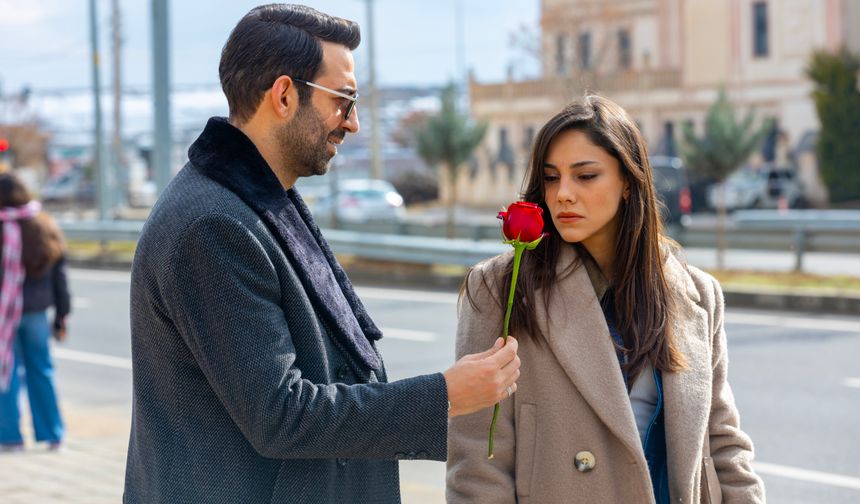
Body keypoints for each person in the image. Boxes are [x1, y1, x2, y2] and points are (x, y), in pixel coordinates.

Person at [123, 4, 520, 503]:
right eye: (344, 100)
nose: (352, 124)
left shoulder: (255, 200)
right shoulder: (213, 225)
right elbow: (283, 417)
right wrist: (446, 395)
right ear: (285, 95)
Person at [447, 95, 765, 503]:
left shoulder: (697, 294)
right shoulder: (501, 289)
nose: (562, 194)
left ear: (628, 183)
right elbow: (477, 465)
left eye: (585, 176)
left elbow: (723, 443)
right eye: (551, 177)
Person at [0, 172, 70, 452]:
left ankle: (10, 437)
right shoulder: (43, 225)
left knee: (6, 371)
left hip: (4, 316)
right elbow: (60, 278)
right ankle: (53, 435)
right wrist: (61, 317)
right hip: (37, 313)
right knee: (41, 370)